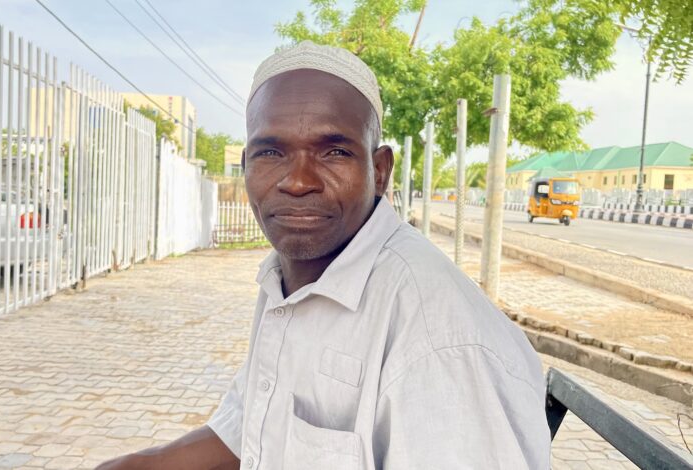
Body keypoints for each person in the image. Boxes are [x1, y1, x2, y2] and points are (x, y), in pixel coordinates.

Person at [98, 41, 550, 470]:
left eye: (333, 151)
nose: (297, 181)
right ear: (247, 167)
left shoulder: (439, 343)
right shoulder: (289, 276)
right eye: (270, 152)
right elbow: (252, 423)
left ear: (379, 170)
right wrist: (141, 463)